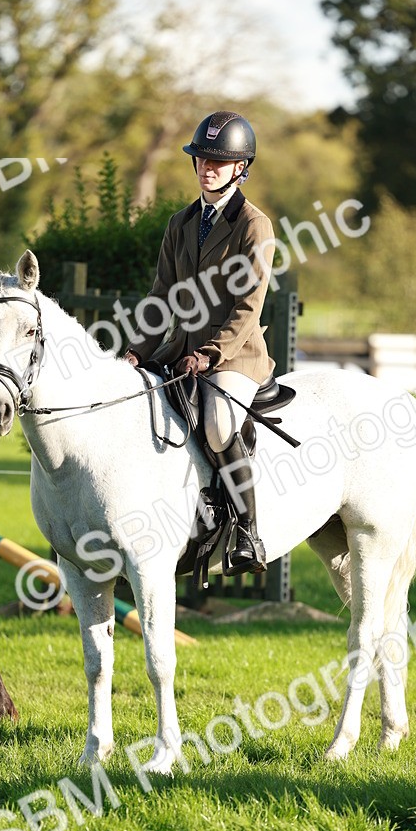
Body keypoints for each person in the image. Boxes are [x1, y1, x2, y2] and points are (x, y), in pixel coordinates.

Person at [124, 110, 275, 574]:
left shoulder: (254, 225)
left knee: (216, 421)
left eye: (219, 161)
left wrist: (211, 353)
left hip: (235, 357)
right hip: (182, 353)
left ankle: (248, 531)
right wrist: (137, 350)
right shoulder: (180, 223)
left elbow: (248, 308)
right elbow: (160, 298)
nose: (208, 167)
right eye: (202, 158)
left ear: (240, 167)